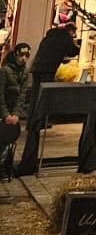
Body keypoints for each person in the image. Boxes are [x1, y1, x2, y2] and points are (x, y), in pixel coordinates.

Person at [16, 19, 81, 174]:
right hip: (48, 69)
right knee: (44, 96)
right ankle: (40, 118)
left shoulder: (50, 36)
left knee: (36, 95)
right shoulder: (65, 37)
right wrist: (76, 43)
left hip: (37, 67)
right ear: (70, 31)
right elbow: (73, 51)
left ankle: (34, 117)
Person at [1, 43, 30, 179]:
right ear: (15, 55)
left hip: (13, 113)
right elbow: (0, 95)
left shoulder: (25, 72)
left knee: (10, 135)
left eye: (26, 55)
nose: (23, 58)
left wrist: (16, 114)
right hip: (3, 112)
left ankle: (4, 165)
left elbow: (22, 96)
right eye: (21, 55)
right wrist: (5, 114)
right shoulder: (5, 71)